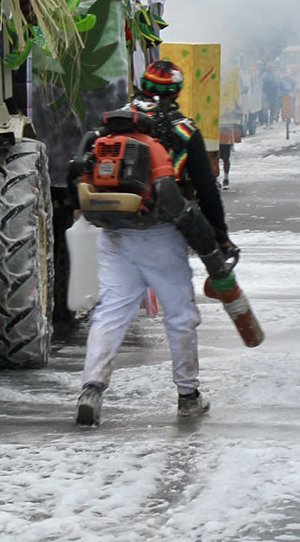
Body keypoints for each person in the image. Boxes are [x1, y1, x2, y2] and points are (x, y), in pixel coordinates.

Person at [72, 58, 232, 428]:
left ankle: (91, 389)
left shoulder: (112, 123)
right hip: (161, 234)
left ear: (142, 86)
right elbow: (207, 190)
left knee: (110, 312)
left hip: (114, 232)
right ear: (177, 92)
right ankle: (188, 396)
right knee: (180, 315)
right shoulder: (183, 129)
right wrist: (220, 238)